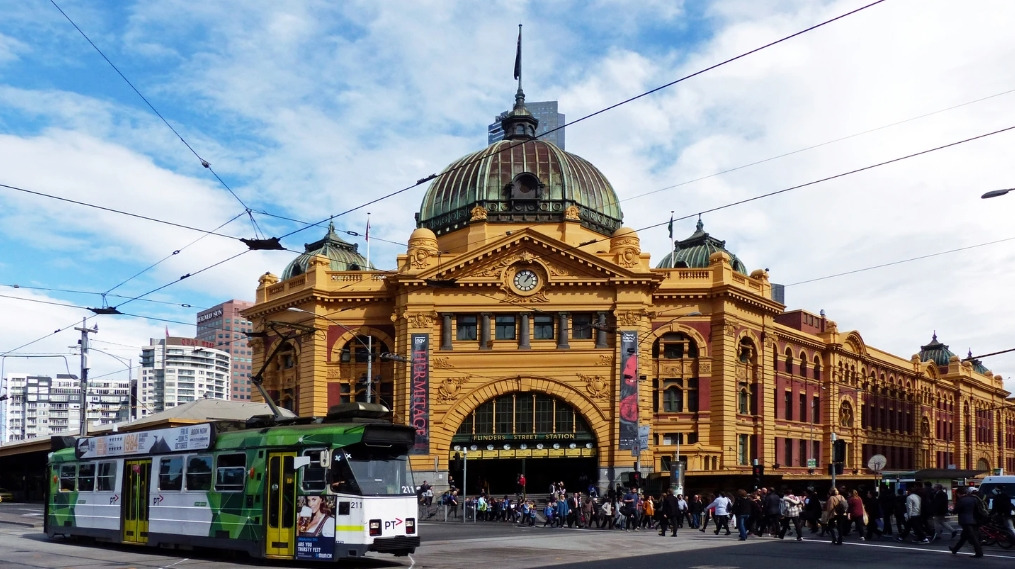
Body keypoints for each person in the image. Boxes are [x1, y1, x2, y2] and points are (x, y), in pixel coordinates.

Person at [950, 486, 984, 558]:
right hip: (974, 520)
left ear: (959, 493)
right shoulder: (974, 498)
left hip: (965, 521)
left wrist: (952, 510)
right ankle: (955, 549)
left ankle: (979, 552)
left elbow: (955, 511)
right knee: (964, 537)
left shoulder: (961, 500)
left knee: (973, 537)